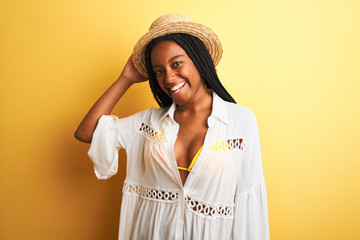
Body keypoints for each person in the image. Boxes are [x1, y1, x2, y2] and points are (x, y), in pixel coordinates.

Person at [75, 13, 270, 240]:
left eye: (176, 64)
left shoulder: (240, 121)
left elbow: (250, 205)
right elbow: (86, 132)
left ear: (199, 60)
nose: (168, 78)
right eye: (159, 71)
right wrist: (125, 78)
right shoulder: (148, 124)